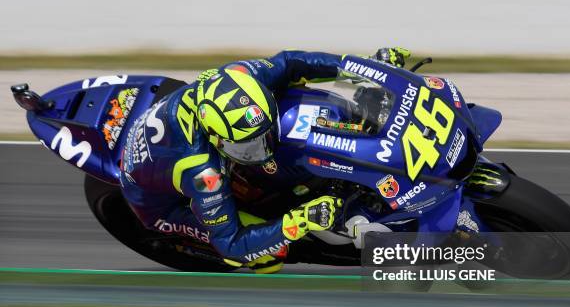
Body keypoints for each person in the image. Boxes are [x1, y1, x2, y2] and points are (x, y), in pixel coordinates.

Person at [120, 47, 410, 273]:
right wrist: (302, 220)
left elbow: (292, 62)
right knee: (267, 258)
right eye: (251, 146)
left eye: (265, 136)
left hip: (166, 123)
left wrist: (364, 68)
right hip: (156, 202)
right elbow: (231, 243)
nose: (265, 149)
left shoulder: (240, 76)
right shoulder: (202, 172)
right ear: (216, 139)